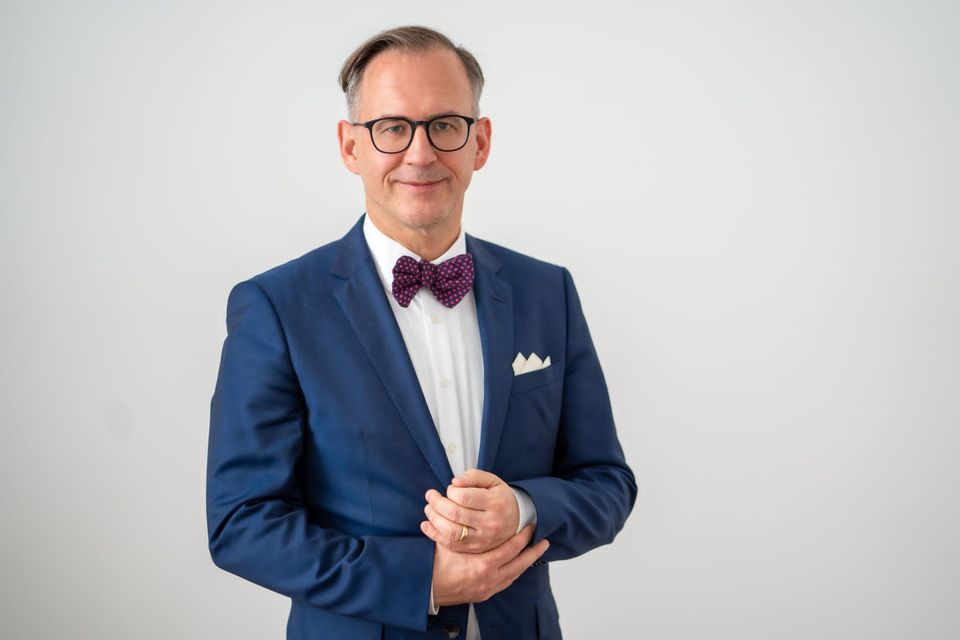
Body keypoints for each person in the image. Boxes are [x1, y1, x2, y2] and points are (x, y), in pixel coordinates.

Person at [206, 25, 636, 640]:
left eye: (444, 125)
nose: (420, 153)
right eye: (392, 127)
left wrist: (523, 509)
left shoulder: (549, 292)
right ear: (350, 146)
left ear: (479, 141)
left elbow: (606, 484)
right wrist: (423, 579)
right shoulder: (275, 306)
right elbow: (241, 523)